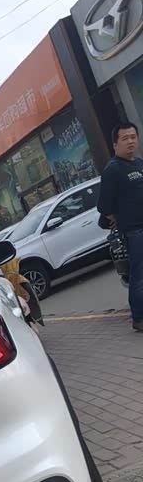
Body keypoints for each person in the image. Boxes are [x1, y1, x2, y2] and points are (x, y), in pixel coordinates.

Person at [98, 121, 143, 332]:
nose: (130, 141)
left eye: (133, 137)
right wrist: (119, 218)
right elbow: (103, 206)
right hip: (135, 231)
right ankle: (139, 318)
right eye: (125, 138)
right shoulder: (113, 170)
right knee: (139, 276)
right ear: (115, 144)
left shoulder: (139, 163)